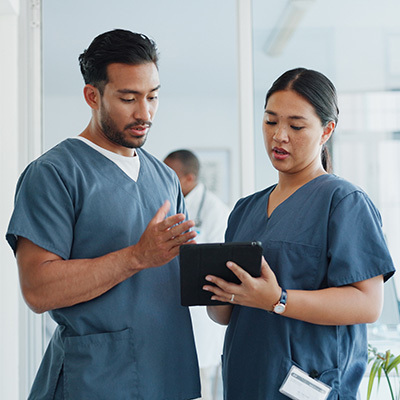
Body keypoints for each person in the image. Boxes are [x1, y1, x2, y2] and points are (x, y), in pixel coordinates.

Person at [6, 29, 201, 399]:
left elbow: (174, 274)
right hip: (97, 380)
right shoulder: (54, 174)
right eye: (128, 98)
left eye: (153, 97)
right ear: (92, 96)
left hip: (168, 373)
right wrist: (136, 257)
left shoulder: (165, 178)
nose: (144, 113)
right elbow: (37, 289)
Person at [203, 68, 396, 399]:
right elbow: (224, 314)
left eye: (296, 126)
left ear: (326, 130)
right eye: (270, 121)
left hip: (308, 384)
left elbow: (368, 304)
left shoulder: (344, 201)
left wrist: (278, 300)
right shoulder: (245, 209)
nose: (279, 136)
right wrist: (213, 287)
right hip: (246, 378)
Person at [164, 150, 229, 400]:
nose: (165, 179)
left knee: (199, 389)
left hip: (202, 317)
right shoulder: (169, 203)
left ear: (189, 178)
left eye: (172, 175)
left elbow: (212, 263)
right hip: (171, 309)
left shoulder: (214, 211)